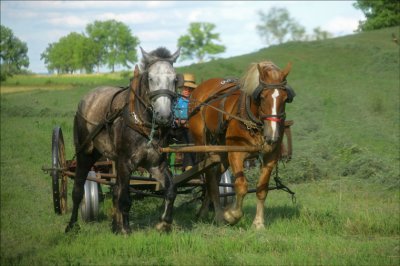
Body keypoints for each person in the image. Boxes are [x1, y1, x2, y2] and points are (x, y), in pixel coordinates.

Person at [173, 73, 197, 171]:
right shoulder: (174, 100)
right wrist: (175, 120)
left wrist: (187, 122)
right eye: (185, 88)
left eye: (190, 89)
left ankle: (188, 166)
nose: (187, 91)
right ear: (181, 88)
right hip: (172, 127)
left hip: (186, 129)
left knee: (190, 139)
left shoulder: (194, 102)